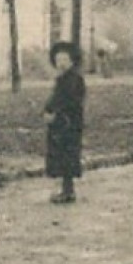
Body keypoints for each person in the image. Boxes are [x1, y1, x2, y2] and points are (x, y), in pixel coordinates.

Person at [44, 41, 86, 204]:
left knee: (68, 155)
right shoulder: (61, 79)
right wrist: (48, 110)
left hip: (69, 123)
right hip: (60, 123)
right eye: (58, 60)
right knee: (60, 155)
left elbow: (72, 101)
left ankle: (68, 191)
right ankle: (65, 189)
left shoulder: (75, 79)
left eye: (64, 60)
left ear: (72, 61)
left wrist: (56, 113)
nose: (60, 63)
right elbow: (55, 98)